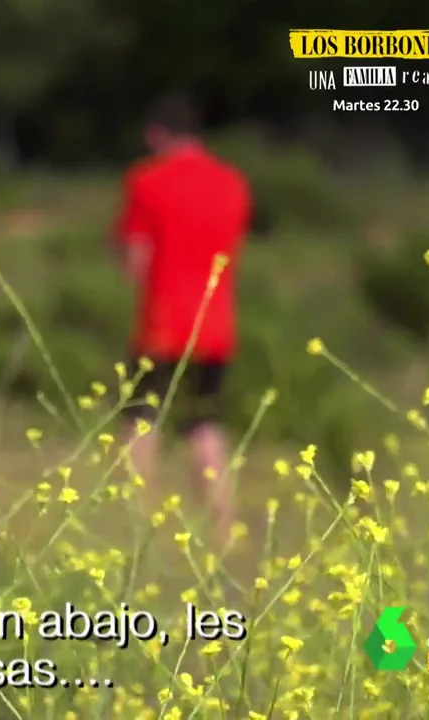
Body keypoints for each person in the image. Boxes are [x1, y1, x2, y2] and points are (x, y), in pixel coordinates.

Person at [111, 94, 252, 546]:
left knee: (140, 423)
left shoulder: (146, 181)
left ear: (156, 134)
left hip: (161, 326)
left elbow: (135, 259)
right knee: (205, 425)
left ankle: (140, 530)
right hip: (215, 328)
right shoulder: (232, 183)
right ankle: (226, 532)